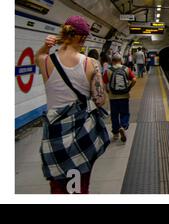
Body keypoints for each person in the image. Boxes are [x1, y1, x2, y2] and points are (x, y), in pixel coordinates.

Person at [35, 15, 108, 194]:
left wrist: (47, 45)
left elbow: (39, 55)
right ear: (81, 37)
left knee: (58, 186)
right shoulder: (89, 63)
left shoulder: (46, 61)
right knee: (80, 184)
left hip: (54, 134)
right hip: (80, 132)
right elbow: (100, 99)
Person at [103, 53, 136, 142]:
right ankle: (123, 126)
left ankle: (116, 134)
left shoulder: (108, 71)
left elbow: (105, 83)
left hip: (113, 97)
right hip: (124, 96)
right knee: (124, 113)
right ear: (121, 60)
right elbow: (134, 79)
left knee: (114, 115)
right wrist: (129, 88)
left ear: (112, 61)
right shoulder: (126, 69)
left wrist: (107, 91)